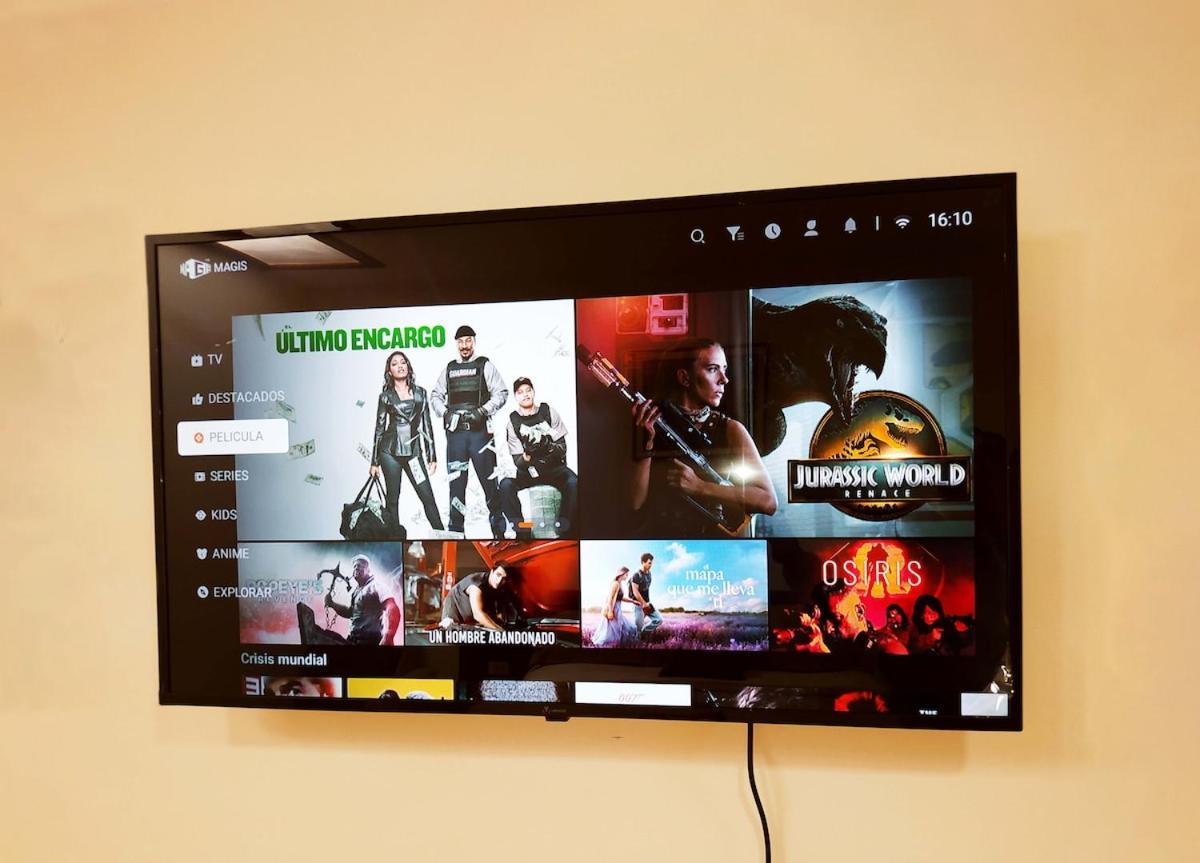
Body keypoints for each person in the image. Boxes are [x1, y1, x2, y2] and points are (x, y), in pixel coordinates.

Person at [631, 338, 776, 537]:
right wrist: (645, 443)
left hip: (714, 542)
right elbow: (635, 503)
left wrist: (700, 487)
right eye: (713, 369)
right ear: (684, 377)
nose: (724, 379)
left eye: (724, 369)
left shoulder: (731, 429)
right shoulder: (652, 422)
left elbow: (768, 501)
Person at [430, 325, 509, 538]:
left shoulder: (485, 365)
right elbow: (435, 395)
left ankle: (499, 532)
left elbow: (501, 393)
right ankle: (456, 532)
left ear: (474, 341)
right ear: (456, 344)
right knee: (456, 487)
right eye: (461, 341)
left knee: (490, 484)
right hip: (456, 437)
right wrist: (445, 413)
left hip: (480, 435)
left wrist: (483, 411)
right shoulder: (449, 369)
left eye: (468, 341)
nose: (464, 345)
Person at [369, 350, 444, 534]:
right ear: (389, 371)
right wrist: (374, 462)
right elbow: (379, 429)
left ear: (408, 367)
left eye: (403, 362)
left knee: (428, 498)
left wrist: (432, 456)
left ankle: (444, 537)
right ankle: (395, 540)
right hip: (389, 453)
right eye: (395, 364)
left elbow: (427, 425)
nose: (400, 366)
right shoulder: (385, 396)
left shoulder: (420, 393)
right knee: (392, 500)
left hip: (413, 454)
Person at [498, 377, 578, 535]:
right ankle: (523, 531)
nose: (525, 394)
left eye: (528, 390)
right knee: (505, 485)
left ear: (533, 392)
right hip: (529, 473)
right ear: (516, 396)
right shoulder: (512, 422)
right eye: (520, 392)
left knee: (573, 483)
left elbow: (562, 449)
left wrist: (547, 446)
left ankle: (566, 530)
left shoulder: (548, 412)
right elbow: (518, 462)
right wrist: (528, 454)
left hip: (554, 469)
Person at [324, 554, 400, 645]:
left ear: (368, 570)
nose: (356, 568)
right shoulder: (356, 591)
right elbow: (350, 612)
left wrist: (388, 636)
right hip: (353, 640)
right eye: (355, 566)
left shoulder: (376, 586)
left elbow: (392, 607)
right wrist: (332, 604)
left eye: (360, 566)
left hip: (370, 642)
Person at [439, 565, 512, 631]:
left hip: (467, 620)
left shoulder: (494, 586)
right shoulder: (477, 584)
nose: (499, 581)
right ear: (492, 571)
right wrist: (500, 631)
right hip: (451, 619)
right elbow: (478, 615)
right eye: (498, 575)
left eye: (504, 578)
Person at [590, 566, 638, 647]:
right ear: (621, 574)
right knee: (614, 631)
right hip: (613, 608)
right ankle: (611, 646)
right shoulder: (615, 583)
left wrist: (632, 601)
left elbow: (620, 598)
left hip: (617, 608)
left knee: (621, 629)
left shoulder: (619, 584)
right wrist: (610, 611)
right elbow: (610, 598)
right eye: (626, 575)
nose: (627, 576)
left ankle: (619, 645)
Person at [627, 552, 663, 638]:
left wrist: (647, 604)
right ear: (643, 562)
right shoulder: (636, 575)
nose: (651, 565)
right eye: (649, 563)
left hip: (647, 603)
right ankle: (635, 640)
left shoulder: (649, 573)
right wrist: (643, 604)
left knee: (659, 620)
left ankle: (643, 633)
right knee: (638, 627)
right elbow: (635, 591)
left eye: (651, 563)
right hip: (638, 604)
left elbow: (646, 589)